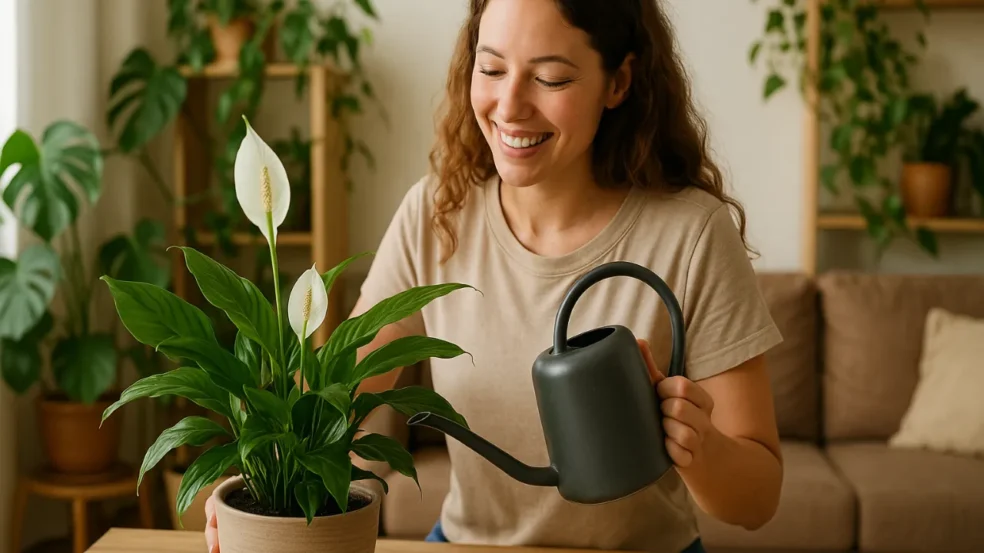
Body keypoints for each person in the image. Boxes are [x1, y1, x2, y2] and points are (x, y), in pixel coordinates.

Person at [205, 0, 785, 551]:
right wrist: (253, 478)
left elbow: (758, 499)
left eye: (551, 78)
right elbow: (337, 393)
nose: (509, 106)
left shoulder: (693, 234)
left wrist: (700, 449)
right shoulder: (437, 214)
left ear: (619, 82)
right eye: (491, 69)